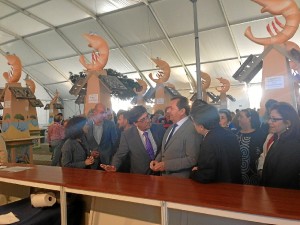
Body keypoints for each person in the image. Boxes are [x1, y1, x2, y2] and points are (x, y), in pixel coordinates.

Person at [100, 105, 165, 174]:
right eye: (143, 119)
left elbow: (164, 148)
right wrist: (113, 166)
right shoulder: (127, 135)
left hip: (160, 174)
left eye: (147, 116)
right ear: (135, 123)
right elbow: (120, 155)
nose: (148, 120)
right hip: (139, 176)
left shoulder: (160, 129)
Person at [150, 96, 202, 178]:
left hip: (179, 181)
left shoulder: (192, 128)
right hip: (165, 178)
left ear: (182, 111)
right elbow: (164, 149)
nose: (168, 111)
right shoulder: (171, 127)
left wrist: (166, 165)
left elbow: (192, 159)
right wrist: (156, 161)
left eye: (171, 108)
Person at [189, 103, 242, 183]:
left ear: (201, 126)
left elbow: (206, 175)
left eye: (194, 122)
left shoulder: (209, 140)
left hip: (220, 188)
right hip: (235, 183)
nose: (193, 125)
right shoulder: (230, 134)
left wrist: (194, 172)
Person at [261, 102, 300, 189]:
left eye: (274, 119)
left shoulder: (292, 146)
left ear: (288, 123)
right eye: (269, 118)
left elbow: (281, 180)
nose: (269, 122)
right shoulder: (278, 139)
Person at [236, 108, 266, 185]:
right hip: (236, 174)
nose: (238, 119)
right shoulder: (236, 134)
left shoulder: (260, 135)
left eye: (241, 117)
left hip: (254, 175)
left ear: (250, 118)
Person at [86, 103, 118, 169]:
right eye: (102, 112)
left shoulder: (110, 125)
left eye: (105, 113)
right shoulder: (86, 125)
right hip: (92, 162)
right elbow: (84, 143)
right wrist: (90, 152)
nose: (104, 115)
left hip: (107, 161)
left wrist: (112, 159)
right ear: (95, 112)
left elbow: (115, 143)